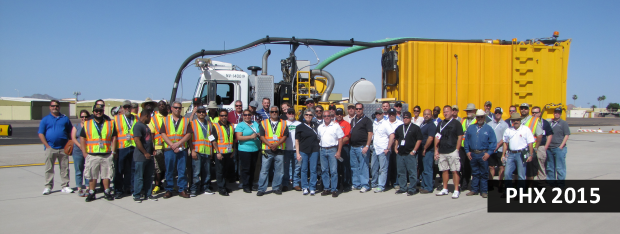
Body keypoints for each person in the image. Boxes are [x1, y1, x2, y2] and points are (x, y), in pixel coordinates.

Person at [81, 103, 117, 202]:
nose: (98, 112)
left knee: (106, 174)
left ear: (103, 112)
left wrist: (113, 152)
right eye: (96, 111)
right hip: (92, 154)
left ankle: (107, 191)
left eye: (100, 111)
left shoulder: (109, 123)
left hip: (106, 154)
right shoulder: (87, 123)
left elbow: (114, 138)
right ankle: (92, 193)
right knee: (92, 175)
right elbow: (82, 138)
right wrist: (84, 152)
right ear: (93, 112)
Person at [39, 100, 74, 195]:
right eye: (53, 106)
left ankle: (65, 186)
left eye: (57, 106)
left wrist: (70, 144)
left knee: (65, 168)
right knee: (49, 168)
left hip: (63, 148)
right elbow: (41, 133)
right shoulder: (45, 120)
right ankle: (48, 186)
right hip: (51, 148)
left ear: (59, 107)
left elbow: (71, 132)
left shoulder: (65, 119)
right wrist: (47, 146)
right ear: (50, 107)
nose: (55, 107)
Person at [159, 101, 193, 199]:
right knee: (169, 170)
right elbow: (163, 133)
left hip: (182, 149)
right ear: (171, 108)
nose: (177, 109)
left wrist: (178, 143)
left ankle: (182, 189)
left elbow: (189, 134)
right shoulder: (166, 120)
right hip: (169, 149)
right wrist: (172, 145)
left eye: (179, 108)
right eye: (176, 108)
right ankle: (169, 189)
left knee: (182, 170)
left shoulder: (186, 120)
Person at [257, 106, 289, 196]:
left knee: (279, 170)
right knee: (264, 170)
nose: (274, 113)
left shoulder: (283, 123)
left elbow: (285, 136)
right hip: (267, 150)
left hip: (279, 150)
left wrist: (276, 144)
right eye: (272, 112)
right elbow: (262, 136)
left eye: (275, 111)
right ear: (269, 113)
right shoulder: (264, 123)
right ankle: (261, 189)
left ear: (278, 113)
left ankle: (276, 187)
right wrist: (269, 144)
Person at [464, 110, 497, 198]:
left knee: (484, 173)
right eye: (478, 117)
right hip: (473, 153)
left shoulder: (489, 129)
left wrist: (489, 153)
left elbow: (493, 142)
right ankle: (474, 189)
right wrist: (467, 151)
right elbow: (466, 140)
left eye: (481, 117)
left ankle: (484, 191)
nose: (480, 118)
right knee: (474, 172)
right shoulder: (471, 128)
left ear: (484, 117)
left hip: (483, 154)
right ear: (476, 117)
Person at [434, 105, 464, 199]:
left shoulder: (456, 123)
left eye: (447, 111)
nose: (445, 113)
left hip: (452, 150)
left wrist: (457, 149)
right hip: (442, 150)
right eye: (444, 112)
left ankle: (456, 189)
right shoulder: (441, 123)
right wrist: (436, 150)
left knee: (455, 170)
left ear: (452, 112)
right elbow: (437, 136)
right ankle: (445, 188)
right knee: (444, 170)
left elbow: (460, 137)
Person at [502, 113, 534, 188]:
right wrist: (503, 154)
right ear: (512, 121)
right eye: (514, 120)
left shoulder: (526, 129)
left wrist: (531, 155)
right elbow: (505, 143)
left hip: (521, 154)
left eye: (517, 120)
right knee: (507, 174)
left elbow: (530, 143)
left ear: (520, 120)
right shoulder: (508, 130)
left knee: (521, 175)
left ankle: (520, 193)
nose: (516, 121)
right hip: (511, 154)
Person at [113, 100, 138, 199]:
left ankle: (130, 188)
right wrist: (114, 151)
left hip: (133, 146)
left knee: (132, 169)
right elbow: (114, 136)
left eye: (129, 107)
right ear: (122, 108)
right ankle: (118, 190)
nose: (127, 108)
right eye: (125, 107)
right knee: (119, 170)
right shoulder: (116, 119)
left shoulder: (136, 117)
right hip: (121, 147)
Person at [393, 111, 423, 195]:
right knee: (401, 172)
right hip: (400, 153)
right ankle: (403, 188)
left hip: (410, 154)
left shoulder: (415, 128)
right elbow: (396, 138)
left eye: (407, 118)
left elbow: (419, 139)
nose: (405, 119)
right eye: (404, 118)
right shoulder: (399, 128)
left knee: (412, 172)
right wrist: (395, 148)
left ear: (410, 118)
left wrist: (414, 151)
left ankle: (412, 189)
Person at [188, 106, 214, 197]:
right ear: (196, 113)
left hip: (207, 151)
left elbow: (211, 138)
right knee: (196, 172)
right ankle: (194, 189)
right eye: (199, 112)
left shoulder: (209, 124)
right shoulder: (192, 123)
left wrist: (211, 151)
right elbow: (190, 139)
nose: (201, 113)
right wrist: (192, 150)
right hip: (197, 150)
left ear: (206, 113)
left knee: (207, 172)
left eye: (203, 112)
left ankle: (205, 188)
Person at [132, 109, 157, 202]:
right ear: (146, 115)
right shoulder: (138, 126)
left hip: (149, 156)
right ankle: (137, 195)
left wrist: (152, 149)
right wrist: (145, 153)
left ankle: (148, 194)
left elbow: (149, 140)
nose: (150, 119)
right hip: (141, 156)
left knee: (149, 176)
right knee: (139, 176)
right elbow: (137, 140)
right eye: (150, 116)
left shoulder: (146, 126)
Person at [317, 111, 344, 197]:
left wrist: (339, 151)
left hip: (332, 149)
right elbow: (319, 138)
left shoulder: (336, 126)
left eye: (329, 116)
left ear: (331, 116)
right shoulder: (320, 127)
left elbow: (340, 139)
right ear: (323, 117)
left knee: (333, 171)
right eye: (325, 116)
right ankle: (326, 188)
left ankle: (334, 189)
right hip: (322, 150)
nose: (327, 117)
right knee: (324, 170)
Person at [235, 109, 261, 193]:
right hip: (244, 149)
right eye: (245, 115)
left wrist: (259, 134)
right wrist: (250, 137)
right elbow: (239, 137)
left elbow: (259, 132)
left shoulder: (255, 123)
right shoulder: (240, 125)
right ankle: (245, 185)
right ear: (243, 116)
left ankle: (252, 184)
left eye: (249, 115)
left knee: (253, 168)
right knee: (246, 168)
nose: (247, 116)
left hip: (255, 148)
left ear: (251, 115)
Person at [350, 103, 374, 193]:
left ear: (363, 109)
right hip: (353, 147)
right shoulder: (353, 120)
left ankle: (365, 185)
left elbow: (370, 133)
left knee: (363, 166)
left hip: (362, 147)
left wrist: (367, 146)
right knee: (354, 166)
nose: (358, 110)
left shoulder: (367, 120)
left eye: (360, 108)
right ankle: (356, 184)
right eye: (357, 108)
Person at [296, 109, 320, 195]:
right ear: (304, 116)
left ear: (313, 116)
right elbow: (297, 141)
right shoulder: (299, 127)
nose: (308, 116)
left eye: (310, 115)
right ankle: (305, 187)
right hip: (303, 151)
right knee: (304, 169)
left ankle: (312, 187)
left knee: (313, 170)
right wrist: (298, 153)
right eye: (306, 115)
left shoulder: (316, 125)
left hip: (314, 150)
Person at [370, 108, 395, 193]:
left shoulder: (386, 123)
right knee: (373, 167)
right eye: (376, 113)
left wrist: (388, 148)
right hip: (375, 149)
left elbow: (392, 135)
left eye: (379, 113)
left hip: (383, 149)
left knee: (383, 169)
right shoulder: (374, 123)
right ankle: (374, 183)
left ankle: (381, 186)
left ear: (383, 114)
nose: (378, 115)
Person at [211, 109, 235, 196]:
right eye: (221, 115)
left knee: (225, 171)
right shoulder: (216, 126)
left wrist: (233, 150)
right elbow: (213, 140)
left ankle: (224, 186)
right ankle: (221, 188)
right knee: (219, 171)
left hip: (229, 152)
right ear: (219, 116)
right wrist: (217, 152)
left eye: (225, 115)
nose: (223, 117)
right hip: (220, 153)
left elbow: (233, 138)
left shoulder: (231, 125)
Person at [518, 103, 544, 181]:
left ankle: (529, 189)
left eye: (525, 108)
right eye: (522, 108)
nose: (523, 110)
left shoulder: (534, 120)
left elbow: (539, 135)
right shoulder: (517, 119)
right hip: (519, 149)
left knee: (530, 172)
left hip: (529, 149)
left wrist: (535, 148)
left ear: (528, 110)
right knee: (519, 171)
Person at [547, 107, 570, 184]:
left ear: (560, 114)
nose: (557, 114)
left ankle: (560, 184)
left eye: (558, 113)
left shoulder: (563, 123)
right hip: (549, 148)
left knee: (560, 167)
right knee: (550, 167)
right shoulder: (550, 123)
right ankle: (551, 183)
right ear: (553, 113)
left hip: (558, 148)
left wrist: (561, 146)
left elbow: (567, 135)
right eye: (556, 112)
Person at [488, 107, 509, 189]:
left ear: (501, 114)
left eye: (499, 113)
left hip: (500, 149)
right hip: (491, 149)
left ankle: (500, 184)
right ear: (494, 113)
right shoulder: (489, 124)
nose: (497, 114)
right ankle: (491, 184)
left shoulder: (505, 124)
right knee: (491, 166)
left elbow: (505, 137)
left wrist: (498, 145)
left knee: (501, 167)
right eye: (496, 112)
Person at [150, 100, 168, 194]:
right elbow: (152, 134)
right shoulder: (153, 118)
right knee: (158, 168)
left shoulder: (169, 117)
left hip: (169, 146)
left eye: (163, 105)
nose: (162, 106)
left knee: (167, 167)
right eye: (160, 105)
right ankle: (157, 185)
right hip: (158, 146)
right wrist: (152, 148)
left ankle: (167, 184)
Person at [531, 106, 554, 181]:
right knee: (531, 166)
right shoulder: (530, 122)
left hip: (541, 147)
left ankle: (542, 183)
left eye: (536, 112)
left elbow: (550, 134)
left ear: (540, 113)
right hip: (531, 147)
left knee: (541, 165)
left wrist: (546, 147)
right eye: (533, 112)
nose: (534, 114)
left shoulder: (545, 123)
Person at [71, 110, 90, 197]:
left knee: (88, 169)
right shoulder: (76, 126)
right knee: (78, 170)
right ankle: (79, 187)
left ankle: (87, 187)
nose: (84, 118)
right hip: (78, 152)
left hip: (88, 151)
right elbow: (73, 138)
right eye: (82, 117)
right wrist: (80, 145)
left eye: (85, 117)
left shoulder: (90, 126)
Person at [418, 109, 437, 194]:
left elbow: (430, 138)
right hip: (421, 149)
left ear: (431, 115)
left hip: (428, 150)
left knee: (427, 169)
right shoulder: (423, 124)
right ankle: (424, 185)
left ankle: (429, 187)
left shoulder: (431, 125)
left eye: (428, 114)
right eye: (425, 114)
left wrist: (425, 148)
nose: (426, 116)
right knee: (422, 169)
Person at [283, 108, 302, 191]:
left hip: (296, 150)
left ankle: (296, 184)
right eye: (289, 113)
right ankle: (285, 184)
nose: (291, 114)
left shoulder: (299, 124)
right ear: (286, 114)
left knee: (297, 167)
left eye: (292, 113)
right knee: (285, 168)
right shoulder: (283, 123)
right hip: (285, 149)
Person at [459, 103, 477, 191]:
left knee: (474, 167)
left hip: (473, 147)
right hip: (463, 147)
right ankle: (464, 184)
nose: (469, 112)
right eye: (467, 111)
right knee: (463, 166)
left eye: (470, 111)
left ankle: (474, 185)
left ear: (475, 111)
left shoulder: (478, 120)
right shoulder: (463, 120)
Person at [334, 108, 352, 192]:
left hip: (344, 147)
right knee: (336, 167)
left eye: (341, 114)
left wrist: (339, 145)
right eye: (337, 114)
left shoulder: (346, 124)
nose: (339, 115)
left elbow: (347, 137)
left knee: (345, 166)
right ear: (335, 115)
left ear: (343, 115)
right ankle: (336, 185)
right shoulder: (333, 124)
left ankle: (346, 184)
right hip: (334, 148)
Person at [227, 100, 244, 184]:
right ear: (235, 106)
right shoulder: (230, 115)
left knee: (241, 159)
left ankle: (240, 176)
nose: (238, 107)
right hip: (233, 140)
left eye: (240, 105)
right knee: (233, 159)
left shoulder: (245, 114)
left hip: (242, 141)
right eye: (237, 106)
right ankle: (233, 176)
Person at [386, 108, 403, 190]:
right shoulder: (385, 123)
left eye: (393, 114)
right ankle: (387, 182)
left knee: (396, 166)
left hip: (396, 147)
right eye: (390, 114)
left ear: (396, 114)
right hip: (387, 148)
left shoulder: (400, 123)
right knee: (387, 165)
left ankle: (396, 182)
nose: (391, 115)